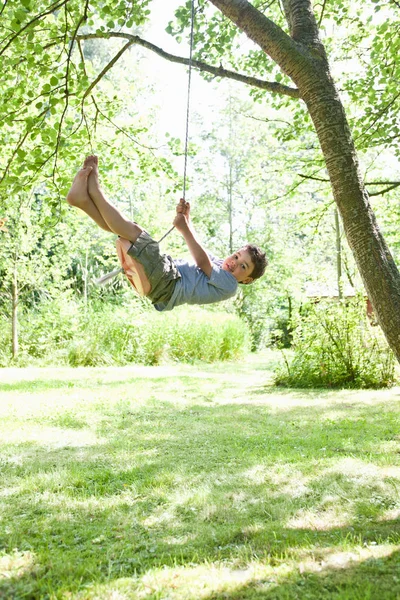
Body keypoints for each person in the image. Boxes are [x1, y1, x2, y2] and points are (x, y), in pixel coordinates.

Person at [66, 155, 267, 312]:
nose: (234, 262)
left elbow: (202, 261)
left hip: (168, 282)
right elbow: (202, 251)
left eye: (243, 266)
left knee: (136, 232)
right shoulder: (220, 267)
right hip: (165, 281)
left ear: (247, 279)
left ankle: (95, 191)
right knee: (127, 232)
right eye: (237, 255)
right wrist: (188, 220)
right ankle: (82, 202)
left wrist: (184, 229)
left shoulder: (230, 285)